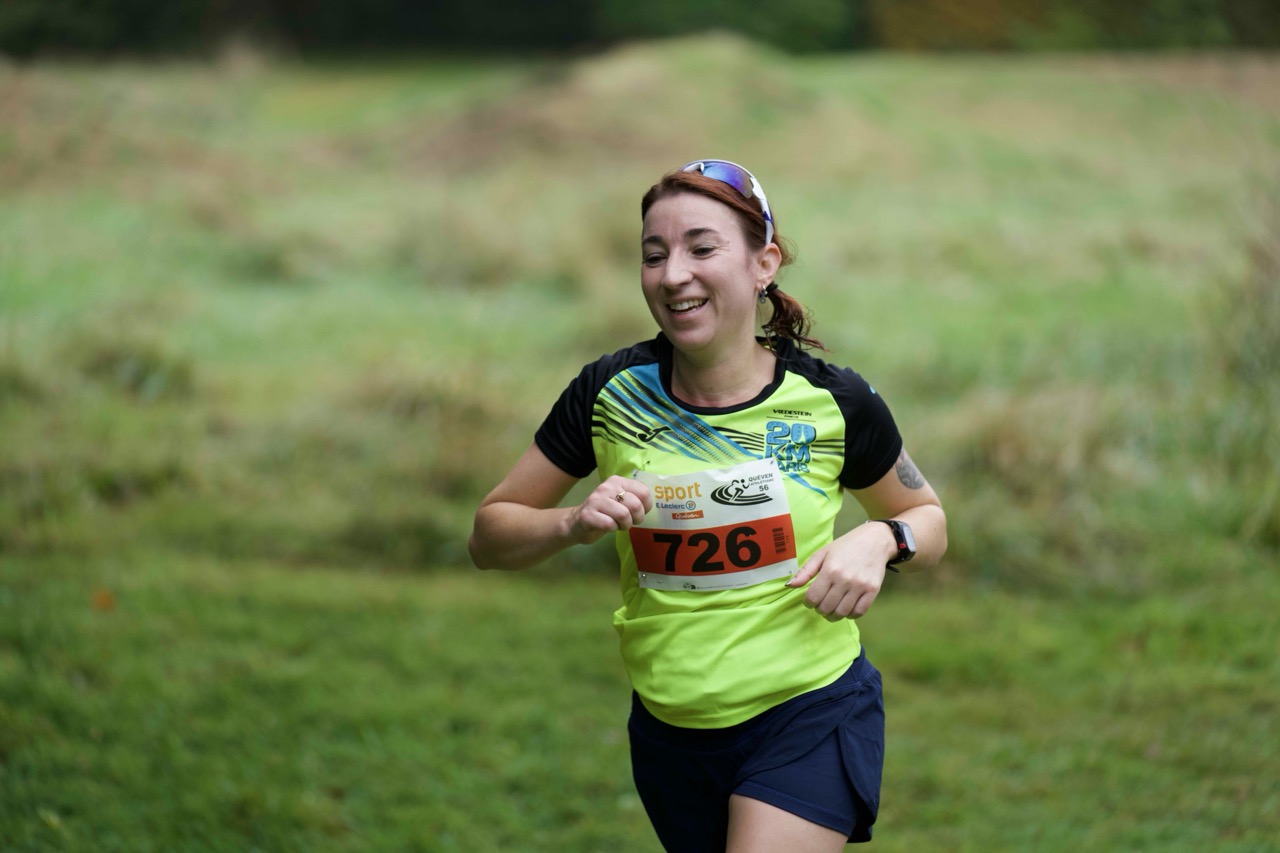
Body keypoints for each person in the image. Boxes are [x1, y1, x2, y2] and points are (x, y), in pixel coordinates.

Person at [469, 159, 947, 852]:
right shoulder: (611, 392)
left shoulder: (833, 401)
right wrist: (571, 522)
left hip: (809, 711)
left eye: (701, 248)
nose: (673, 275)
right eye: (653, 255)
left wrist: (880, 539)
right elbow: (489, 536)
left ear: (763, 265)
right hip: (670, 730)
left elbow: (929, 520)